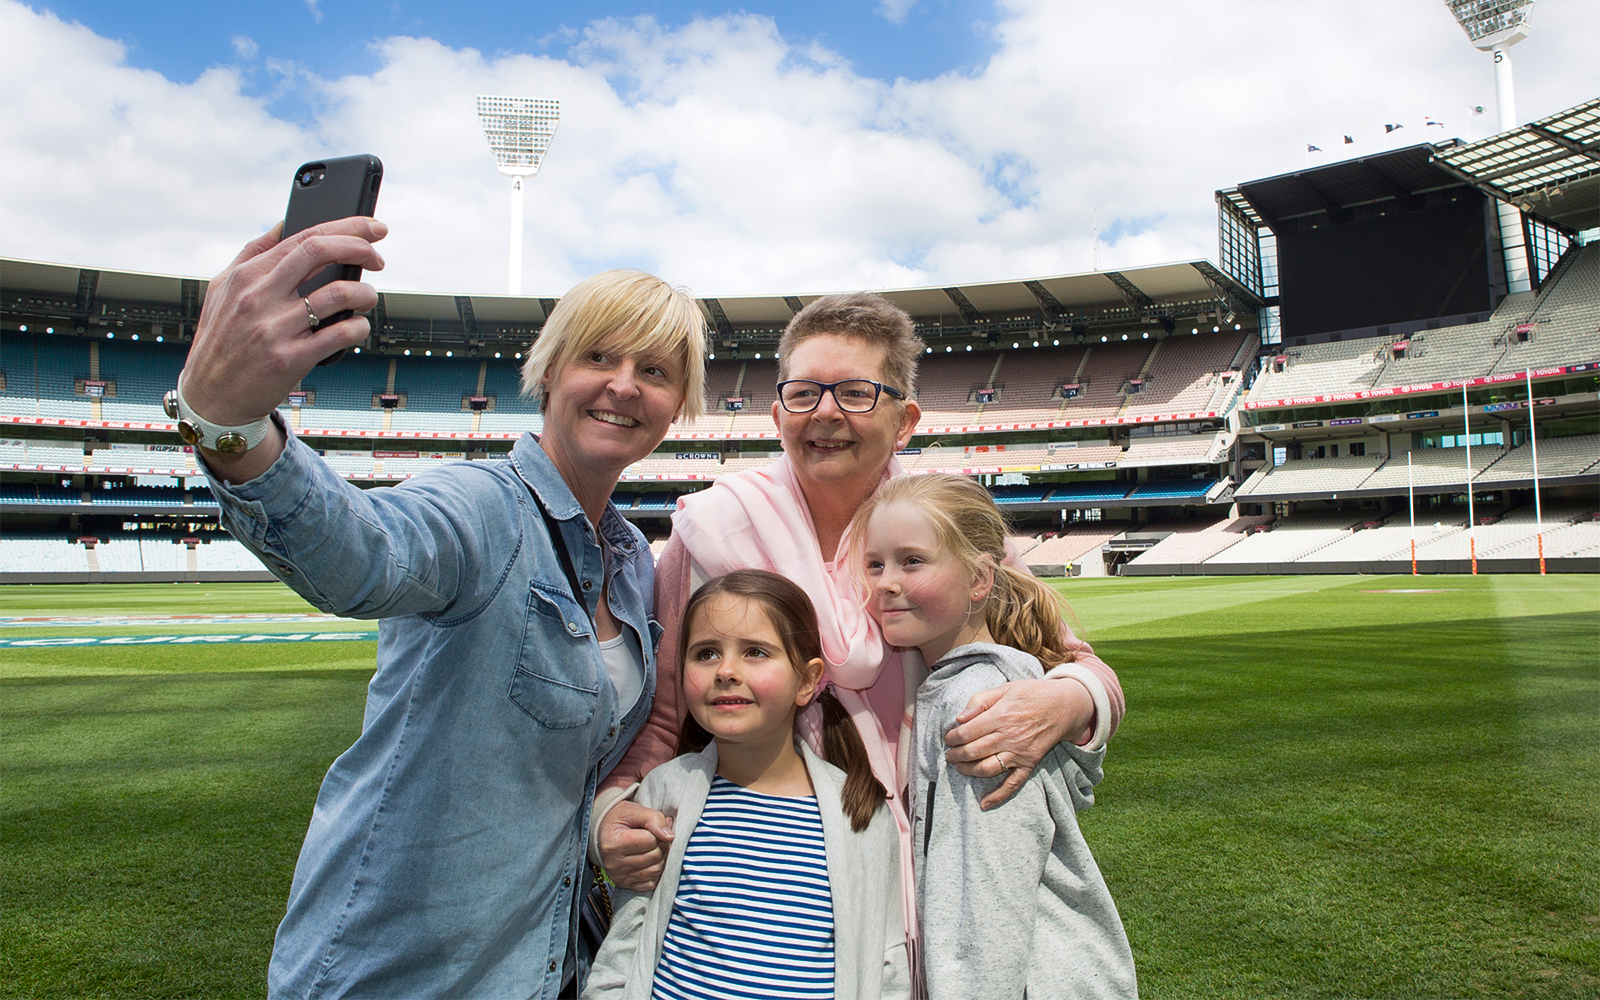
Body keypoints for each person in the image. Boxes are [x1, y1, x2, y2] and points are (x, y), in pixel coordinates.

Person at [176, 216, 708, 998]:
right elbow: (360, 555)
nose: (625, 383)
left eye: (656, 371)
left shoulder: (632, 565)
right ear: (552, 370)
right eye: (599, 356)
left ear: (676, 406)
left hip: (542, 961)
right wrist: (229, 426)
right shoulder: (479, 505)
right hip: (403, 966)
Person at [595, 293, 1125, 968]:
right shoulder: (713, 531)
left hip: (939, 870)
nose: (825, 413)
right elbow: (665, 721)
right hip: (774, 881)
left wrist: (1067, 699)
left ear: (904, 421)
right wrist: (611, 813)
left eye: (854, 393)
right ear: (778, 411)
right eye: (805, 392)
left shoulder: (944, 523)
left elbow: (1077, 663)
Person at [855, 473, 1137, 1000]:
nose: (885, 582)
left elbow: (983, 901)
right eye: (875, 563)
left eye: (911, 561)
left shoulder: (978, 702)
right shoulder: (958, 685)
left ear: (980, 580)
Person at [583, 570, 909, 1000]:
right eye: (705, 654)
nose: (726, 671)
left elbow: (887, 962)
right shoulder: (667, 791)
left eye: (755, 652)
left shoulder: (860, 813)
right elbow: (626, 940)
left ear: (808, 680)